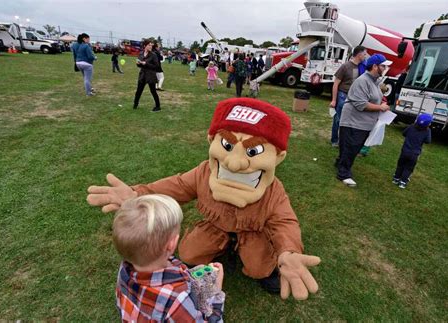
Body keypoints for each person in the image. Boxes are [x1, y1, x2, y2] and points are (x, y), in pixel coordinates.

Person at [87, 98, 321, 300]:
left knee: (259, 267)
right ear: (212, 141)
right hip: (215, 226)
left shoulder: (273, 191)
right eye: (227, 145)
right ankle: (225, 246)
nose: (234, 163)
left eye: (253, 151)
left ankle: (263, 264)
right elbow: (176, 186)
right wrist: (138, 193)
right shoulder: (203, 172)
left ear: (278, 157)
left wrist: (288, 252)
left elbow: (284, 222)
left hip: (253, 233)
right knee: (189, 254)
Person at [113, 194, 225, 322]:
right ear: (172, 244)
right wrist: (215, 291)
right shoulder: (178, 298)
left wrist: (191, 275)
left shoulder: (125, 269)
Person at [336, 53, 392, 187]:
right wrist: (380, 107)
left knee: (351, 147)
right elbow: (361, 104)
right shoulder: (363, 81)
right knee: (351, 147)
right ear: (374, 66)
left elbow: (377, 90)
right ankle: (343, 174)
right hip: (353, 121)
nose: (385, 68)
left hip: (362, 122)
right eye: (383, 66)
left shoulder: (373, 81)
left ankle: (340, 163)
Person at [330, 46, 367, 147]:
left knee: (349, 121)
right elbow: (336, 83)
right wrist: (334, 100)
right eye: (364, 54)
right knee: (338, 119)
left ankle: (344, 141)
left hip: (353, 97)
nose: (365, 56)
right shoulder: (345, 66)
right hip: (343, 95)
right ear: (359, 54)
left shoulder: (361, 67)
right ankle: (334, 140)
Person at [392, 114, 432, 189]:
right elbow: (428, 141)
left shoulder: (411, 127)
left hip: (404, 151)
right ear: (428, 124)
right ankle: (403, 182)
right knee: (409, 168)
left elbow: (404, 133)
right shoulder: (427, 131)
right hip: (414, 154)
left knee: (400, 165)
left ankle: (396, 179)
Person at [133, 39, 161, 112]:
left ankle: (158, 106)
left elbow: (156, 66)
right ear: (145, 46)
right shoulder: (141, 53)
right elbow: (140, 65)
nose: (151, 46)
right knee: (138, 91)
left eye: (151, 45)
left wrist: (146, 64)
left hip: (150, 75)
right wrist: (138, 64)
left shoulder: (153, 55)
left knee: (153, 91)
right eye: (149, 45)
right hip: (142, 75)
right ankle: (135, 105)